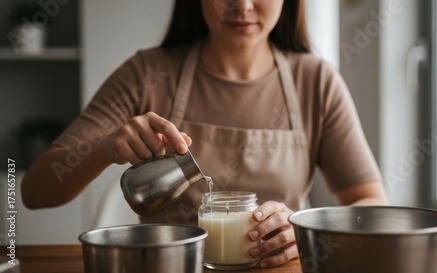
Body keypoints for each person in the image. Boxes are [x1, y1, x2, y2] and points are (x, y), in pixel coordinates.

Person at [21, 0, 388, 268]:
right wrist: (104, 149)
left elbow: (371, 204)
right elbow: (35, 192)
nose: (241, 5)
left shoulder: (317, 82)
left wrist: (308, 230)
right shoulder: (147, 73)